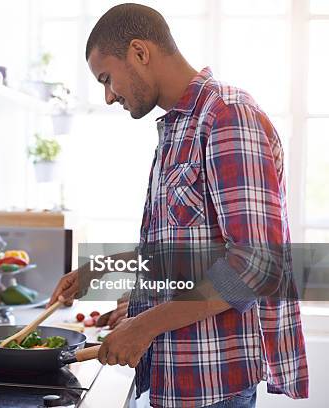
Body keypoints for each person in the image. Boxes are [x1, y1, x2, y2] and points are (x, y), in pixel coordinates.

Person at [48, 4, 308, 407]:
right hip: (176, 379)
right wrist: (100, 269)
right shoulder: (178, 127)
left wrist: (143, 326)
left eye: (107, 78)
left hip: (213, 385)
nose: (108, 95)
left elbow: (257, 265)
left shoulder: (227, 115)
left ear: (139, 52)